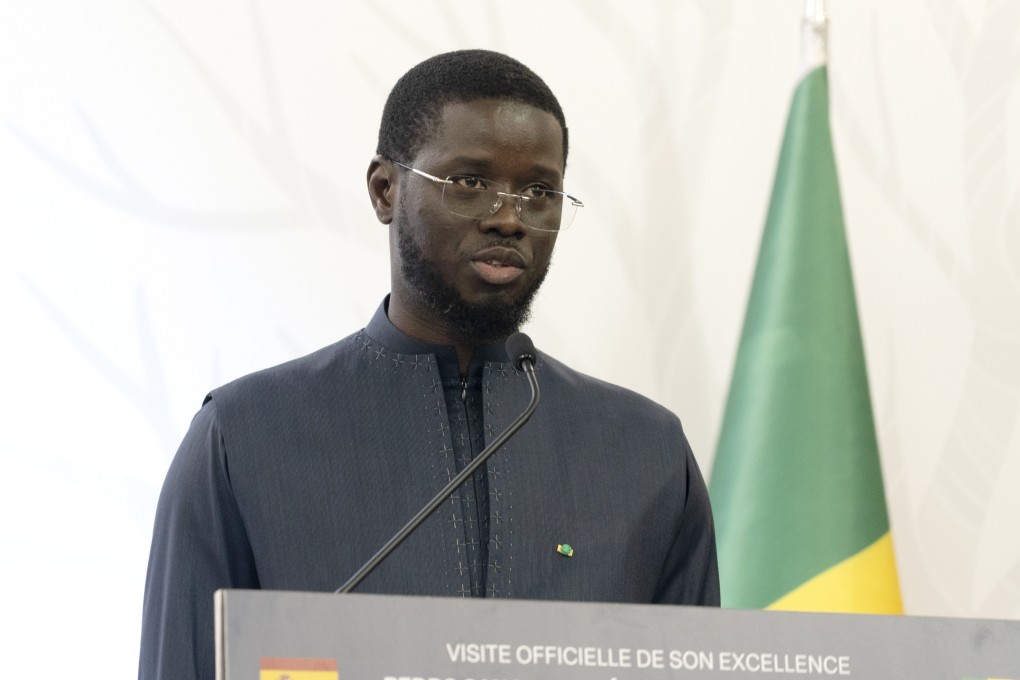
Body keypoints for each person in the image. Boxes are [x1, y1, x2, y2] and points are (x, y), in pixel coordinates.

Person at [139, 49, 719, 680]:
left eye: (540, 192)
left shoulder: (646, 451)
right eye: (470, 183)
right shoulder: (245, 435)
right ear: (386, 189)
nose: (509, 218)